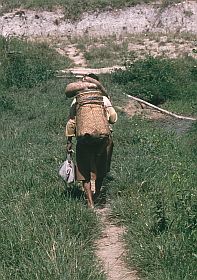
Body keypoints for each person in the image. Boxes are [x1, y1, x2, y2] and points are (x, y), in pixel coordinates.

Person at [65, 73, 117, 208]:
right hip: (103, 140)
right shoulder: (103, 99)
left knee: (83, 171)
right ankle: (98, 195)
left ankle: (90, 202)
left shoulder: (77, 100)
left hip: (84, 139)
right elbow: (113, 118)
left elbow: (71, 123)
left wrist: (69, 143)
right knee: (101, 168)